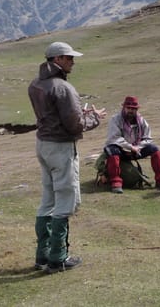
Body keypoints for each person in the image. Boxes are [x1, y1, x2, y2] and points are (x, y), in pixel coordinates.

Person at [28, 42, 106, 273]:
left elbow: (53, 114)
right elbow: (74, 125)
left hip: (43, 144)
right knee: (65, 198)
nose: (73, 61)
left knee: (47, 198)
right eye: (69, 58)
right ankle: (58, 256)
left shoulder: (36, 84)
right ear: (58, 59)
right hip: (60, 147)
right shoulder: (63, 88)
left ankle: (42, 256)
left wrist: (82, 113)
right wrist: (94, 119)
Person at [103, 96, 160, 193]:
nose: (130, 110)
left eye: (133, 109)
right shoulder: (115, 119)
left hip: (137, 148)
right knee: (112, 150)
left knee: (155, 149)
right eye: (128, 108)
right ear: (124, 107)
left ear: (137, 109)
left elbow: (148, 138)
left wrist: (138, 147)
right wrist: (130, 147)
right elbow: (114, 138)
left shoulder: (141, 121)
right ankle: (116, 182)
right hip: (120, 149)